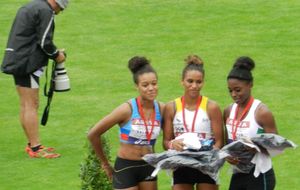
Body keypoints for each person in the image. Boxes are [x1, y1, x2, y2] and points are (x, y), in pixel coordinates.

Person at [1, 0, 69, 158]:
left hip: (17, 59)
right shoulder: (45, 11)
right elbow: (45, 42)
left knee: (26, 104)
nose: (59, 12)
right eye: (60, 9)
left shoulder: (32, 6)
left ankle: (32, 145)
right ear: (57, 4)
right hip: (27, 63)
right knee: (31, 104)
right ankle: (36, 148)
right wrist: (57, 55)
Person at [88, 56, 164, 190]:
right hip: (126, 167)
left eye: (154, 83)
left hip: (148, 167)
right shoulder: (126, 109)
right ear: (137, 86)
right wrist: (105, 164)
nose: (151, 88)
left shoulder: (162, 109)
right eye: (145, 85)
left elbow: (172, 137)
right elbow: (93, 134)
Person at [163, 55, 223, 190]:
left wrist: (209, 152)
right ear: (182, 81)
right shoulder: (171, 107)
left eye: (198, 82)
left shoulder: (212, 107)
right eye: (190, 81)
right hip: (181, 164)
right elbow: (166, 141)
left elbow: (220, 142)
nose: (194, 86)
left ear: (203, 82)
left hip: (206, 165)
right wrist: (173, 143)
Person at [223, 56, 278, 190]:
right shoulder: (228, 110)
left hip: (260, 174)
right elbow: (226, 143)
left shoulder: (261, 112)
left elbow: (276, 145)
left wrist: (257, 148)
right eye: (230, 91)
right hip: (238, 173)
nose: (234, 94)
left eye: (238, 90)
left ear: (250, 84)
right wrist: (227, 156)